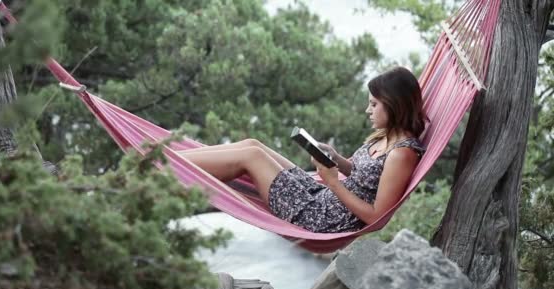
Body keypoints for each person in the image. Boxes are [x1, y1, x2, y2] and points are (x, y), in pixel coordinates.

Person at [178, 67, 426, 233]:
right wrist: (337, 159)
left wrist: (334, 184)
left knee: (251, 156)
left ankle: (164, 162)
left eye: (373, 104)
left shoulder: (401, 154)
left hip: (319, 217)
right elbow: (363, 176)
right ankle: (168, 158)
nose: (367, 110)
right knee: (252, 144)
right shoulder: (384, 137)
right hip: (318, 196)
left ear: (394, 105)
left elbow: (377, 218)